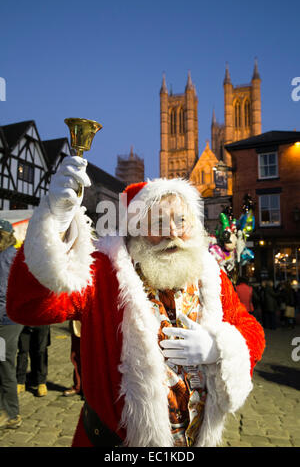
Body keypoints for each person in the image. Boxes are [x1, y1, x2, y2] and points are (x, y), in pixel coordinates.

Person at [7, 156, 265, 447]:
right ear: (135, 229)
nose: (172, 232)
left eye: (181, 220)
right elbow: (26, 307)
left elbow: (250, 328)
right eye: (158, 221)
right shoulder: (103, 270)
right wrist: (53, 225)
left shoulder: (210, 274)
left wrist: (218, 347)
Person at [0, 219, 23, 429]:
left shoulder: (12, 256)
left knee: (5, 362)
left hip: (7, 321)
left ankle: (12, 413)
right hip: (5, 318)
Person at [16, 324, 50, 397]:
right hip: (23, 321)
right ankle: (20, 381)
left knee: (41, 351)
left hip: (42, 320)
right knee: (23, 351)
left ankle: (41, 382)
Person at [63, 320, 82, 397]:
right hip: (78, 322)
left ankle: (91, 389)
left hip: (95, 320)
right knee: (76, 356)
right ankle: (78, 386)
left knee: (92, 357)